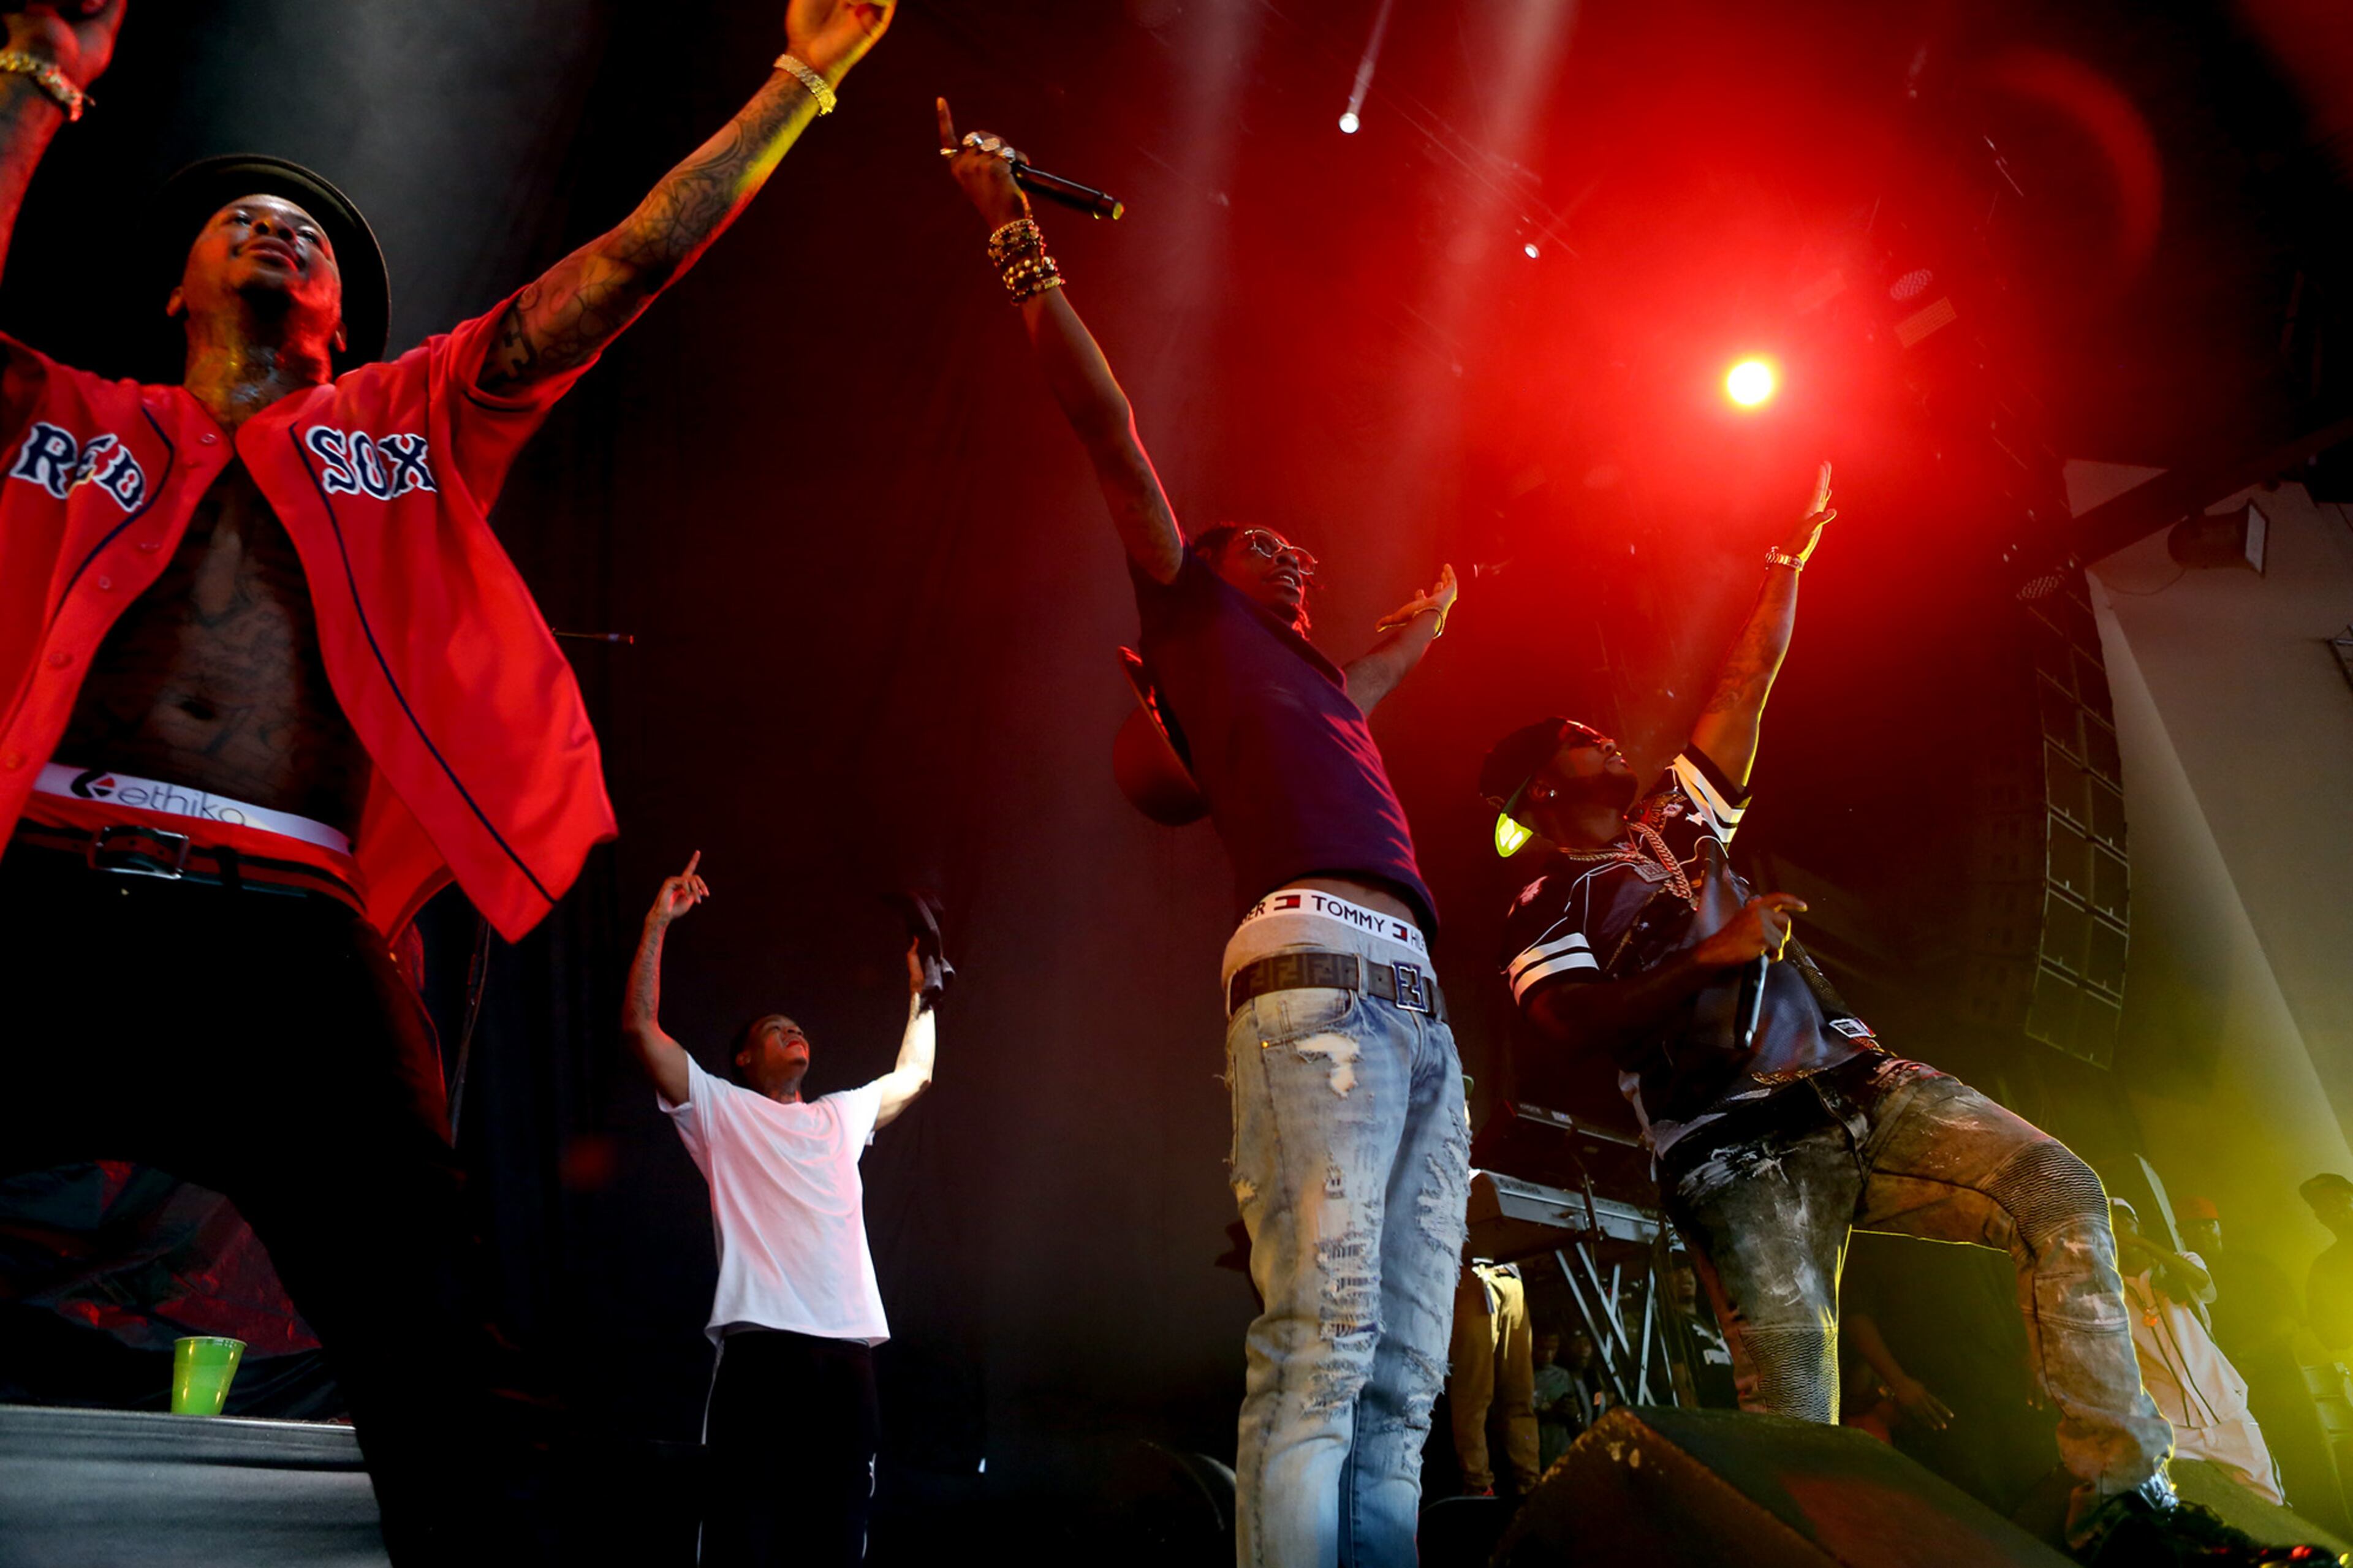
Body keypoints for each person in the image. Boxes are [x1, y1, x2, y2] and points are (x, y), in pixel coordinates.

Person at [0, 2, 895, 1559]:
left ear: (343, 314)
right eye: (240, 216)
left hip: (291, 933)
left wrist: (800, 80)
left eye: (308, 232)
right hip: (51, 891)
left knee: (447, 1357)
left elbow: (618, 274)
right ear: (174, 287)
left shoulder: (404, 421)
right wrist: (33, 81)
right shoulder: (69, 413)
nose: (278, 228)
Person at [1480, 468, 2239, 1560]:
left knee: (2058, 1186)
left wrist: (1783, 562)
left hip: (1861, 1084)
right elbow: (1571, 1021)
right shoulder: (1546, 898)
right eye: (1576, 735)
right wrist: (1712, 956)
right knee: (1797, 1414)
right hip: (1733, 1151)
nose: (1604, 733)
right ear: (1539, 792)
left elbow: (1744, 684)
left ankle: (2119, 1494)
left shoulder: (1678, 819)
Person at [938, 104, 1468, 1567]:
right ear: (1213, 564)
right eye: (1268, 543)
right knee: (1323, 1336)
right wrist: (1015, 234)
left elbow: (1362, 685)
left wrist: (1421, 634)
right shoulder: (1190, 617)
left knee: (1406, 1374)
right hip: (1316, 963)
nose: (1300, 552)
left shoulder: (1309, 684)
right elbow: (1107, 430)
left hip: (1417, 986)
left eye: (1301, 548)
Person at [621, 854, 936, 1566]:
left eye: (798, 1026)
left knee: (838, 1528)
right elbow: (641, 1028)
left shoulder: (840, 1115)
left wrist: (923, 993)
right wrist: (657, 924)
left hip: (847, 1353)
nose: (794, 1032)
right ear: (744, 1058)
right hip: (764, 1350)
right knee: (745, 1528)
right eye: (776, 1027)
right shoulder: (720, 1107)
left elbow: (916, 1074)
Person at [2181, 1195, 2348, 1534]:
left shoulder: (2253, 1265)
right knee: (2256, 1473)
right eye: (2193, 1228)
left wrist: (2249, 1355)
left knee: (2307, 1460)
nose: (2203, 1233)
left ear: (2219, 1227)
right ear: (2182, 1233)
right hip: (2225, 1391)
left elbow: (2290, 1320)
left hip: (2279, 1381)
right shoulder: (2180, 1280)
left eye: (2208, 1225)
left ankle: (2335, 1535)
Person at [2112, 1200, 2284, 1507]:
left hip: (2226, 1408)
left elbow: (2204, 1285)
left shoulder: (2179, 1263)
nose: (2120, 1229)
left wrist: (2141, 1244)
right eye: (2110, 1224)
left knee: (2269, 1501)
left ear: (2140, 1226)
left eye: (2125, 1221)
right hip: (2172, 1424)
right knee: (2175, 1505)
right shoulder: (2108, 1291)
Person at [1447, 1260, 1540, 1497]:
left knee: (1520, 1394)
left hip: (1510, 1276)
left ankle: (1529, 1484)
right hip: (1472, 1276)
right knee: (1475, 1395)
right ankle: (1478, 1484)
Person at [2300, 1174, 2353, 1360]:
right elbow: (2325, 1329)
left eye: (2337, 1199)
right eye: (2322, 1206)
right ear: (2320, 1218)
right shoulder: (2324, 1267)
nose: (2333, 1208)